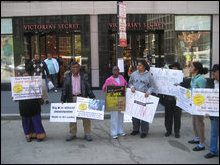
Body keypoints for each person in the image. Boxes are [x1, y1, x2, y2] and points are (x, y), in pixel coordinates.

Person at [61, 61, 96, 142]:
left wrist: (92, 96)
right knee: (72, 117)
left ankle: (87, 134)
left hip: (82, 98)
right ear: (70, 68)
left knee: (86, 117)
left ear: (79, 68)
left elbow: (88, 87)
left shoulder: (84, 76)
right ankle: (72, 133)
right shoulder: (67, 76)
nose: (75, 69)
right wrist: (62, 99)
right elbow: (64, 89)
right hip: (71, 98)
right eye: (73, 67)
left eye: (77, 67)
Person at [12, 72, 46, 142]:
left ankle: (39, 135)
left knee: (36, 121)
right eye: (24, 76)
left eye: (27, 76)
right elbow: (16, 96)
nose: (26, 77)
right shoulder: (18, 85)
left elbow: (41, 96)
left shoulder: (35, 83)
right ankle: (28, 135)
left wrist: (41, 96)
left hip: (34, 106)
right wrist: (14, 97)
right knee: (26, 122)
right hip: (24, 107)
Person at [128, 60, 155, 138]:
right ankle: (135, 129)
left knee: (143, 114)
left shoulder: (149, 75)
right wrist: (132, 87)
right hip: (135, 96)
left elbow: (152, 86)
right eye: (138, 65)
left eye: (140, 65)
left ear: (144, 66)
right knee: (135, 113)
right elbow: (130, 83)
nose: (138, 67)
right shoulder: (133, 74)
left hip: (144, 97)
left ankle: (144, 131)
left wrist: (149, 91)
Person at [102, 66, 128, 139]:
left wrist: (125, 86)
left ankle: (121, 130)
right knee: (114, 116)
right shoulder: (109, 79)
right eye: (114, 70)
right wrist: (109, 86)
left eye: (117, 70)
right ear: (112, 71)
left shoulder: (121, 77)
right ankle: (114, 132)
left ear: (119, 70)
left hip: (121, 99)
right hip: (113, 100)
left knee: (121, 116)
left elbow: (126, 84)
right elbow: (103, 89)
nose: (116, 71)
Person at [188, 62, 208, 151]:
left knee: (199, 124)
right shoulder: (193, 78)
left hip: (199, 106)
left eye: (191, 66)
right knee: (194, 122)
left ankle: (202, 144)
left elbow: (202, 94)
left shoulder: (201, 80)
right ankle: (197, 138)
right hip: (193, 105)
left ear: (196, 69)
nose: (189, 68)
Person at [163, 62, 182, 138]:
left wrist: (179, 85)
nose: (173, 69)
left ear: (178, 68)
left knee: (177, 116)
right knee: (168, 116)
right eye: (172, 68)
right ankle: (168, 130)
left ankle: (177, 131)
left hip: (177, 99)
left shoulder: (181, 76)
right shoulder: (168, 75)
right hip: (168, 98)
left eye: (175, 68)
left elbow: (184, 87)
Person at [204, 64, 219, 158]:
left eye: (215, 72)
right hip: (215, 113)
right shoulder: (214, 83)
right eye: (212, 72)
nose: (213, 74)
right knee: (214, 132)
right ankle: (213, 151)